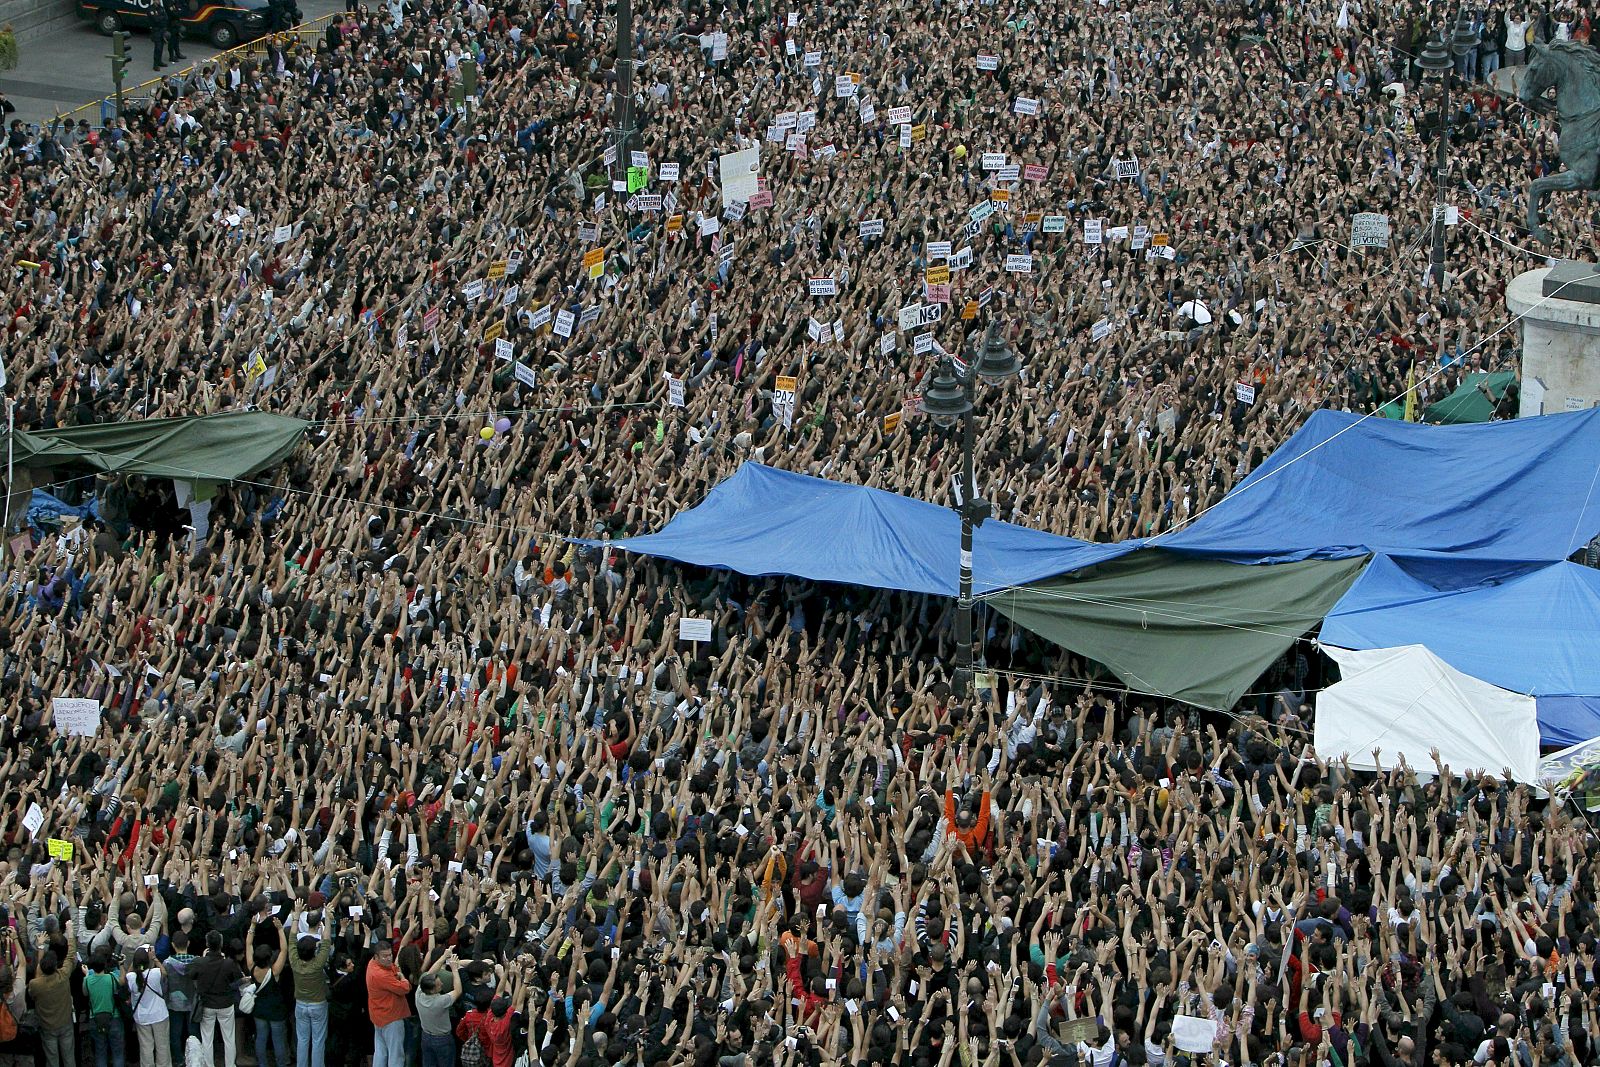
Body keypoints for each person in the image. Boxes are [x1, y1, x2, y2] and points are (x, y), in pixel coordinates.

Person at [288, 901, 333, 1067]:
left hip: (300, 1004)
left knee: (302, 1040)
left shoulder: (294, 961)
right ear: (314, 951)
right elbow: (326, 940)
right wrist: (328, 919)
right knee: (318, 1040)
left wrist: (296, 915)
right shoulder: (318, 963)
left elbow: (292, 938)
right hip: (318, 1004)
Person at [187, 932, 242, 1067]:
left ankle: (209, 1065)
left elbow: (190, 974)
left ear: (207, 944)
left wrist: (202, 958)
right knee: (229, 1038)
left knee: (207, 1039)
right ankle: (230, 1064)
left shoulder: (200, 962)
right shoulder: (228, 963)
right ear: (221, 944)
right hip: (226, 1004)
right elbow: (237, 977)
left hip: (207, 1005)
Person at [246, 916, 291, 1067]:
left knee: (261, 1038)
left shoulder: (251, 967)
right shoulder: (275, 971)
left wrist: (253, 925)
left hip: (259, 1009)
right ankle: (281, 1064)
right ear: (270, 957)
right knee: (278, 1040)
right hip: (276, 1010)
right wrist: (279, 929)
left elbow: (249, 943)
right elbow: (284, 949)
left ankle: (262, 1064)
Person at [365, 941, 410, 1067]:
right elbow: (405, 988)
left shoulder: (372, 964)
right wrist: (402, 977)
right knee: (396, 1054)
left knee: (380, 1051)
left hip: (378, 1015)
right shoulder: (382, 975)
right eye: (385, 956)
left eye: (390, 954)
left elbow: (393, 968)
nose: (389, 958)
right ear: (376, 956)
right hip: (391, 1017)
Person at [413, 953, 463, 1067]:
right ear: (431, 991)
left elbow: (430, 972)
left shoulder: (419, 993)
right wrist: (454, 969)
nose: (442, 984)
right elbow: (458, 990)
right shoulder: (440, 1002)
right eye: (439, 986)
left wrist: (443, 956)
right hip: (443, 1040)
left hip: (425, 1036)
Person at [26, 950, 73, 1067]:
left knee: (52, 1060)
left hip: (47, 1027)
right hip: (66, 1023)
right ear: (56, 966)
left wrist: (40, 948)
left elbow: (33, 991)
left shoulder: (35, 984)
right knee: (69, 1058)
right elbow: (71, 956)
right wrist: (71, 935)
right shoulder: (63, 976)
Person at [126, 947, 171, 1067]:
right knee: (162, 1046)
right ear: (148, 960)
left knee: (146, 1047)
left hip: (142, 1017)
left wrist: (134, 960)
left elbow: (129, 973)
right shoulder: (155, 973)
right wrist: (154, 958)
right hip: (159, 1014)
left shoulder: (131, 978)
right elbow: (165, 973)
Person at [84, 951, 126, 1067]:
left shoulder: (88, 980)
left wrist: (87, 974)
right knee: (117, 1052)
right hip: (114, 1018)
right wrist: (121, 965)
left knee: (100, 1052)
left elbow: (85, 993)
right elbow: (122, 981)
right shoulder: (111, 978)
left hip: (95, 1020)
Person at [148, 0, 169, 70]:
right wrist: (161, 17)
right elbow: (155, 19)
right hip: (156, 31)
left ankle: (159, 61)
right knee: (158, 48)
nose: (158, 1)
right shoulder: (151, 9)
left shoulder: (161, 8)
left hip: (162, 30)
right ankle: (155, 65)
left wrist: (160, 17)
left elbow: (166, 17)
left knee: (161, 47)